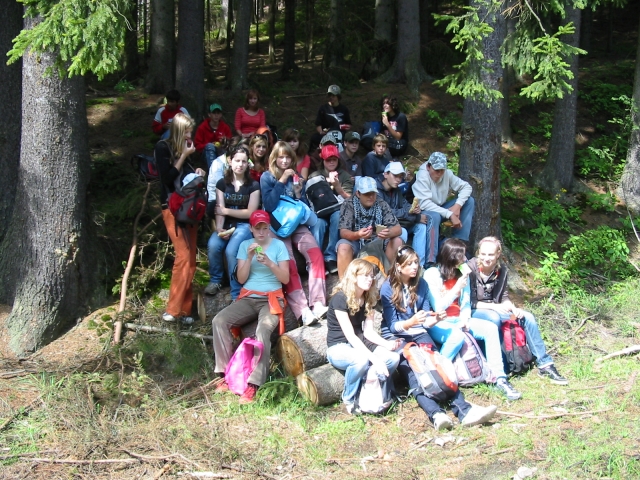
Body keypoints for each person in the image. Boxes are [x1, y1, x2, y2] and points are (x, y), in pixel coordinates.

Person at [380, 246, 498, 430]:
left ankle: (464, 411)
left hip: (418, 330)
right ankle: (436, 414)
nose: (414, 267)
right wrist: (411, 322)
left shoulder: (421, 284)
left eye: (416, 262)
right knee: (415, 373)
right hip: (396, 336)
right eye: (409, 264)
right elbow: (392, 324)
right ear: (399, 266)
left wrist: (436, 319)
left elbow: (426, 319)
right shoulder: (387, 287)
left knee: (438, 365)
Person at [423, 239, 522, 400]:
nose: (465, 260)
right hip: (439, 321)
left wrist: (465, 319)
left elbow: (466, 303)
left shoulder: (463, 273)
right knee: (456, 336)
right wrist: (456, 288)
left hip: (459, 319)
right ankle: (439, 373)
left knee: (490, 329)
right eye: (462, 256)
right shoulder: (432, 274)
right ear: (451, 257)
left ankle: (499, 378)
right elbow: (438, 306)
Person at [211, 210, 290, 404]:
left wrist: (270, 263)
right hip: (248, 297)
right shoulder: (245, 245)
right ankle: (225, 373)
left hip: (272, 298)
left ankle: (254, 383)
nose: (261, 232)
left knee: (263, 330)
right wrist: (248, 257)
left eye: (265, 228)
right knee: (219, 321)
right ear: (251, 229)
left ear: (269, 228)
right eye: (257, 228)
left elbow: (285, 279)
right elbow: (241, 279)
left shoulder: (278, 245)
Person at [468, 237, 568, 384]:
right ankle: (501, 365)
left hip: (497, 310)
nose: (486, 258)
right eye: (483, 254)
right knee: (494, 318)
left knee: (526, 317)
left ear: (498, 254)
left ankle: (544, 364)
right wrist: (494, 307)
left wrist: (513, 308)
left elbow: (504, 297)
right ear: (478, 253)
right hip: (475, 311)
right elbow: (467, 302)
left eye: (490, 254)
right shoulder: (470, 268)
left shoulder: (501, 270)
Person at [260, 141, 328, 326]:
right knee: (288, 263)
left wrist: (298, 193)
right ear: (274, 158)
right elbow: (269, 204)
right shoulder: (267, 177)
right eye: (280, 157)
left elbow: (301, 206)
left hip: (296, 224)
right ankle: (302, 311)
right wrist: (282, 180)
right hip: (276, 226)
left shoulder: (296, 176)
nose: (284, 161)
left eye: (287, 157)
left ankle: (318, 303)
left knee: (315, 254)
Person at [326, 259, 401, 414]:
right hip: (338, 347)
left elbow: (368, 332)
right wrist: (375, 360)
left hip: (360, 342)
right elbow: (350, 336)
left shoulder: (368, 298)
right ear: (354, 276)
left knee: (393, 358)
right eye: (365, 275)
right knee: (361, 360)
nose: (370, 279)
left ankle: (369, 381)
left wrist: (386, 344)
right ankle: (349, 399)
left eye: (371, 276)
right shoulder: (340, 298)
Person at [155, 113, 206, 325]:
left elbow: (187, 178)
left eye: (190, 132)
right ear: (178, 131)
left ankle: (185, 311)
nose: (189, 135)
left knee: (191, 258)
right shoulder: (163, 148)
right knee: (183, 255)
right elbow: (167, 178)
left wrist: (198, 171)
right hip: (171, 208)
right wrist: (184, 155)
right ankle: (173, 309)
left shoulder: (188, 149)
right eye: (186, 131)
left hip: (189, 209)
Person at [205, 145, 260, 299]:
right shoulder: (222, 183)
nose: (240, 165)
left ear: (247, 163)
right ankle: (216, 280)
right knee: (213, 244)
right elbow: (219, 209)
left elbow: (250, 212)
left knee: (231, 251)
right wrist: (219, 228)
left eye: (244, 161)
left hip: (244, 226)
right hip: (225, 224)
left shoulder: (253, 185)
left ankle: (236, 291)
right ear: (230, 161)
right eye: (237, 161)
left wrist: (226, 211)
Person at [413, 152, 475, 267]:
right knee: (434, 216)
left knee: (469, 201)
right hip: (425, 210)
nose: (439, 174)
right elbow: (425, 203)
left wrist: (457, 206)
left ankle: (457, 246)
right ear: (428, 167)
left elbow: (466, 187)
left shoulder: (447, 174)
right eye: (436, 170)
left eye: (442, 170)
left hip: (441, 208)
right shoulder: (422, 176)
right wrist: (450, 214)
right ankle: (431, 260)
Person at [336, 176, 403, 279]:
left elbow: (398, 228)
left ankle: (390, 278)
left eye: (373, 193)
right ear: (358, 193)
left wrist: (388, 232)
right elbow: (343, 231)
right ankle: (344, 284)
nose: (371, 196)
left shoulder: (381, 203)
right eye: (367, 194)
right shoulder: (349, 204)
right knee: (343, 246)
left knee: (397, 241)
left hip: (378, 240)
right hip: (356, 241)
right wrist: (357, 234)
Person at [308, 144, 353, 274]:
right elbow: (310, 197)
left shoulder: (344, 176)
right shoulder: (315, 175)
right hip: (319, 211)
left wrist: (337, 187)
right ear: (323, 160)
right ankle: (316, 259)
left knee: (337, 215)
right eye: (328, 160)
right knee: (318, 224)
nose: (331, 162)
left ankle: (330, 257)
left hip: (337, 210)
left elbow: (350, 200)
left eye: (334, 159)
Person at [376, 162, 429, 269]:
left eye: (400, 177)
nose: (398, 180)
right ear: (386, 174)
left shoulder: (396, 190)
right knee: (402, 231)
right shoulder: (376, 190)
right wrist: (415, 217)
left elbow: (405, 205)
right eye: (395, 176)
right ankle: (399, 266)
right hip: (384, 227)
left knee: (421, 227)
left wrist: (414, 209)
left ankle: (419, 265)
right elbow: (386, 213)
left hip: (400, 223)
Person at [310, 85, 352, 152]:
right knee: (314, 138)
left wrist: (343, 127)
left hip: (340, 133)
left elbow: (349, 125)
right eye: (329, 95)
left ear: (338, 96)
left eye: (333, 96)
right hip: (326, 133)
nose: (331, 97)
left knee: (350, 139)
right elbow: (318, 124)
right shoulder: (323, 108)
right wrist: (321, 132)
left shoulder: (344, 109)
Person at [194, 103, 233, 169]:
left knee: (225, 151)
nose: (216, 115)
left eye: (218, 113)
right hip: (205, 155)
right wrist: (210, 145)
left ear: (221, 115)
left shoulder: (225, 127)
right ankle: (214, 171)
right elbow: (197, 146)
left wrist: (224, 142)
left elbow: (231, 143)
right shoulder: (202, 127)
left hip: (221, 152)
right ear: (209, 114)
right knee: (210, 146)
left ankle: (227, 171)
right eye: (214, 113)